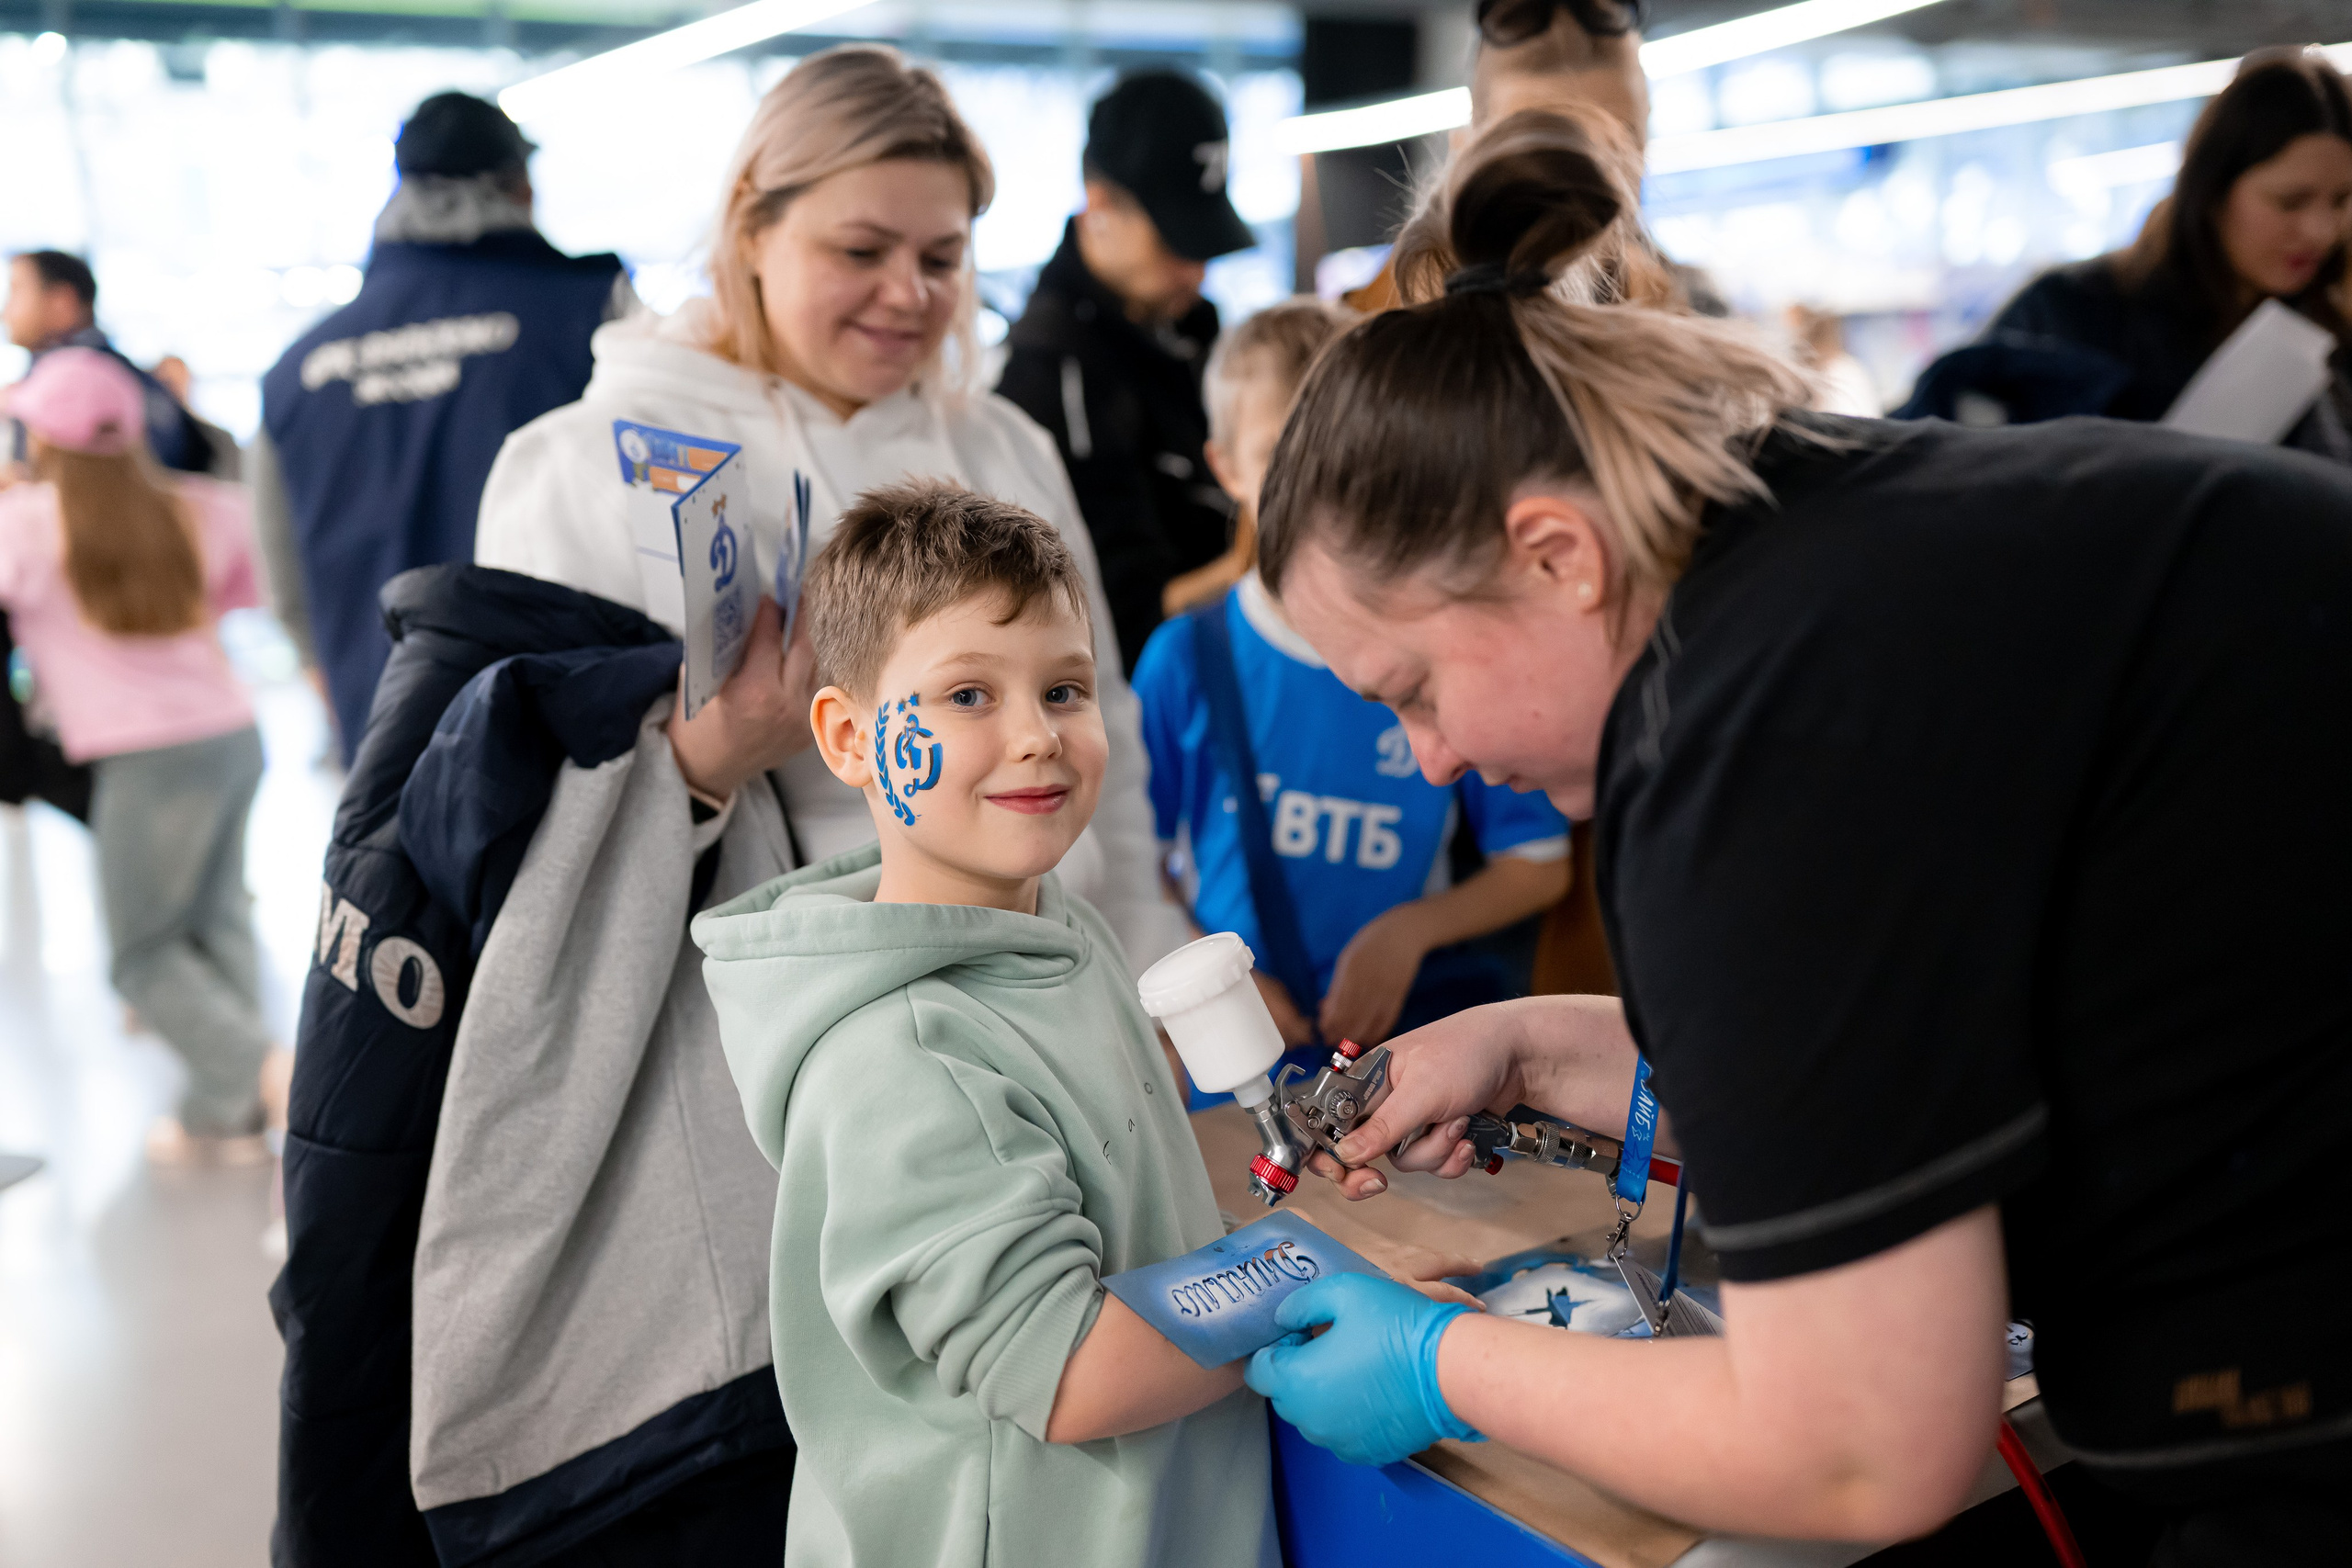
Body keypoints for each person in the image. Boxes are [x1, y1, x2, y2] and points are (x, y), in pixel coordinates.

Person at [1234, 109, 2352, 1564]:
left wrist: (1438, 1360)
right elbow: (1884, 1046)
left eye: (1416, 690)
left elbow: (1857, 1446)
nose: (1432, 756)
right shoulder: (1825, 538)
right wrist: (1547, 1045)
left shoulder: (1743, 720)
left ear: (1556, 554)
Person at [476, 45, 1186, 972]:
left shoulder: (1001, 447)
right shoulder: (586, 468)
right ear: (751, 230)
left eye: (942, 258)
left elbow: (1105, 722)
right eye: (860, 252)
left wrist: (1148, 960)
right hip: (787, 1030)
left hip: (1050, 980)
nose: (910, 295)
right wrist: (703, 764)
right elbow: (524, 819)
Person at [694, 480, 1278, 1568]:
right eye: (967, 696)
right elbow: (1072, 1369)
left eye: (1065, 690)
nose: (1035, 739)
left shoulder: (1059, 929)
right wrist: (1307, 1285)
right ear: (850, 738)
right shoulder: (903, 1055)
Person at [1134, 299, 1569, 1053]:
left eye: (1341, 450)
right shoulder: (1184, 659)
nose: (1317, 483)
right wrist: (1215, 978)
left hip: (1408, 1049)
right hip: (1234, 1049)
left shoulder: (1441, 647)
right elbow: (1132, 859)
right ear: (1226, 467)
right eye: (1280, 453)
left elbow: (1536, 862)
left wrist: (1408, 933)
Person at [256, 92, 630, 762]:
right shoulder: (589, 313)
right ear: (518, 185)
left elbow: (282, 576)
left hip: (382, 731)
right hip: (574, 727)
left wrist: (337, 680)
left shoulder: (296, 371)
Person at [0, 349, 279, 1163]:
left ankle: (271, 1076)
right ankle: (221, 1115)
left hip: (139, 755)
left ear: (41, 439)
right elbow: (241, 594)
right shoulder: (203, 506)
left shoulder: (25, 524)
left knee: (143, 954)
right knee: (215, 917)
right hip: (230, 731)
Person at [1954, 48, 2352, 448]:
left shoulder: (2328, 339)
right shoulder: (2067, 314)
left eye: (2340, 201)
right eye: (2290, 202)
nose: (2321, 232)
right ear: (2212, 192)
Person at [996, 70, 1259, 673]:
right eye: (1175, 243)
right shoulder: (1050, 384)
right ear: (1100, 204)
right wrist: (1257, 554)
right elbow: (1115, 625)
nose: (1196, 273)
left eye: (1205, 246)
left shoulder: (1191, 330)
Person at [4, 250, 208, 475]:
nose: (5, 312)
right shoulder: (116, 374)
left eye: (16, 291)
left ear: (62, 302)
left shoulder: (85, 384)